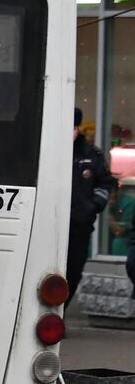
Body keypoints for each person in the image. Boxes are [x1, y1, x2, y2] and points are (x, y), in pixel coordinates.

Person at [69, 107, 116, 306]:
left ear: (77, 129)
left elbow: (105, 182)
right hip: (48, 223)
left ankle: (59, 312)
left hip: (79, 224)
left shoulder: (90, 155)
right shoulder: (46, 148)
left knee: (73, 271)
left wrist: (93, 205)